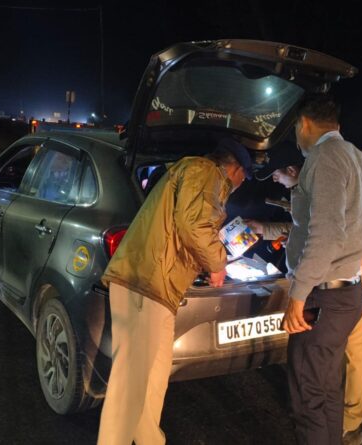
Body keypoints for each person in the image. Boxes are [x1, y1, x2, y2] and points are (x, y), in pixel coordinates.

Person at [97, 138, 253, 445]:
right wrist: (218, 263)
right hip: (144, 283)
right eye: (243, 177)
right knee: (130, 382)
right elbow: (193, 224)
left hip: (159, 288)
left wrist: (205, 261)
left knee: (153, 379)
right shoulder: (204, 170)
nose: (241, 185)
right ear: (235, 169)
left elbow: (186, 227)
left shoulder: (196, 173)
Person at [281, 95, 362, 445]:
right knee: (327, 389)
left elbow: (325, 233)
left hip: (324, 296)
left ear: (304, 124)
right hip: (347, 294)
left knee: (308, 396)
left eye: (295, 128)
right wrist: (361, 247)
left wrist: (297, 296)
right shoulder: (358, 158)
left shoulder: (323, 157)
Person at [250, 147, 362, 445]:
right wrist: (265, 229)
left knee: (353, 350)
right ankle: (335, 424)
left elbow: (327, 237)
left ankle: (350, 425)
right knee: (329, 364)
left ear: (293, 170)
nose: (275, 181)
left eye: (277, 174)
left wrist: (299, 293)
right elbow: (306, 230)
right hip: (342, 273)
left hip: (361, 268)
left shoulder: (325, 177)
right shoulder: (311, 183)